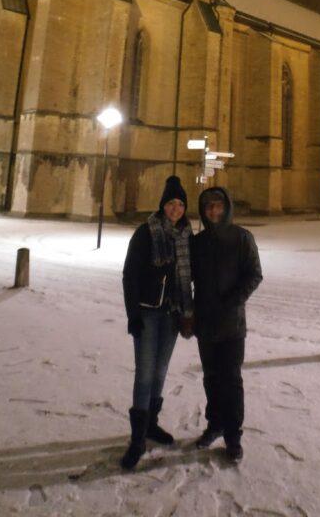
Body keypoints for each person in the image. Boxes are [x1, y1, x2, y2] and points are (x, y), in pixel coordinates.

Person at [121, 174, 193, 470]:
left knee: (160, 371)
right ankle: (137, 439)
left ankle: (151, 424)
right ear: (163, 205)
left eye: (180, 204)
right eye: (171, 203)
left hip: (172, 314)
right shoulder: (146, 232)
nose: (176, 208)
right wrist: (133, 315)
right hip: (148, 313)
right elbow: (130, 275)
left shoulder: (186, 235)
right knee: (145, 373)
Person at [191, 185, 262, 463]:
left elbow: (254, 274)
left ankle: (233, 436)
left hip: (232, 323)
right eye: (209, 206)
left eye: (218, 205)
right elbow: (188, 277)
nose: (214, 211)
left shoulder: (242, 237)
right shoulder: (198, 242)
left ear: (227, 207)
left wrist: (234, 300)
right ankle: (215, 424)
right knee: (211, 377)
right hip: (206, 321)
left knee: (231, 379)